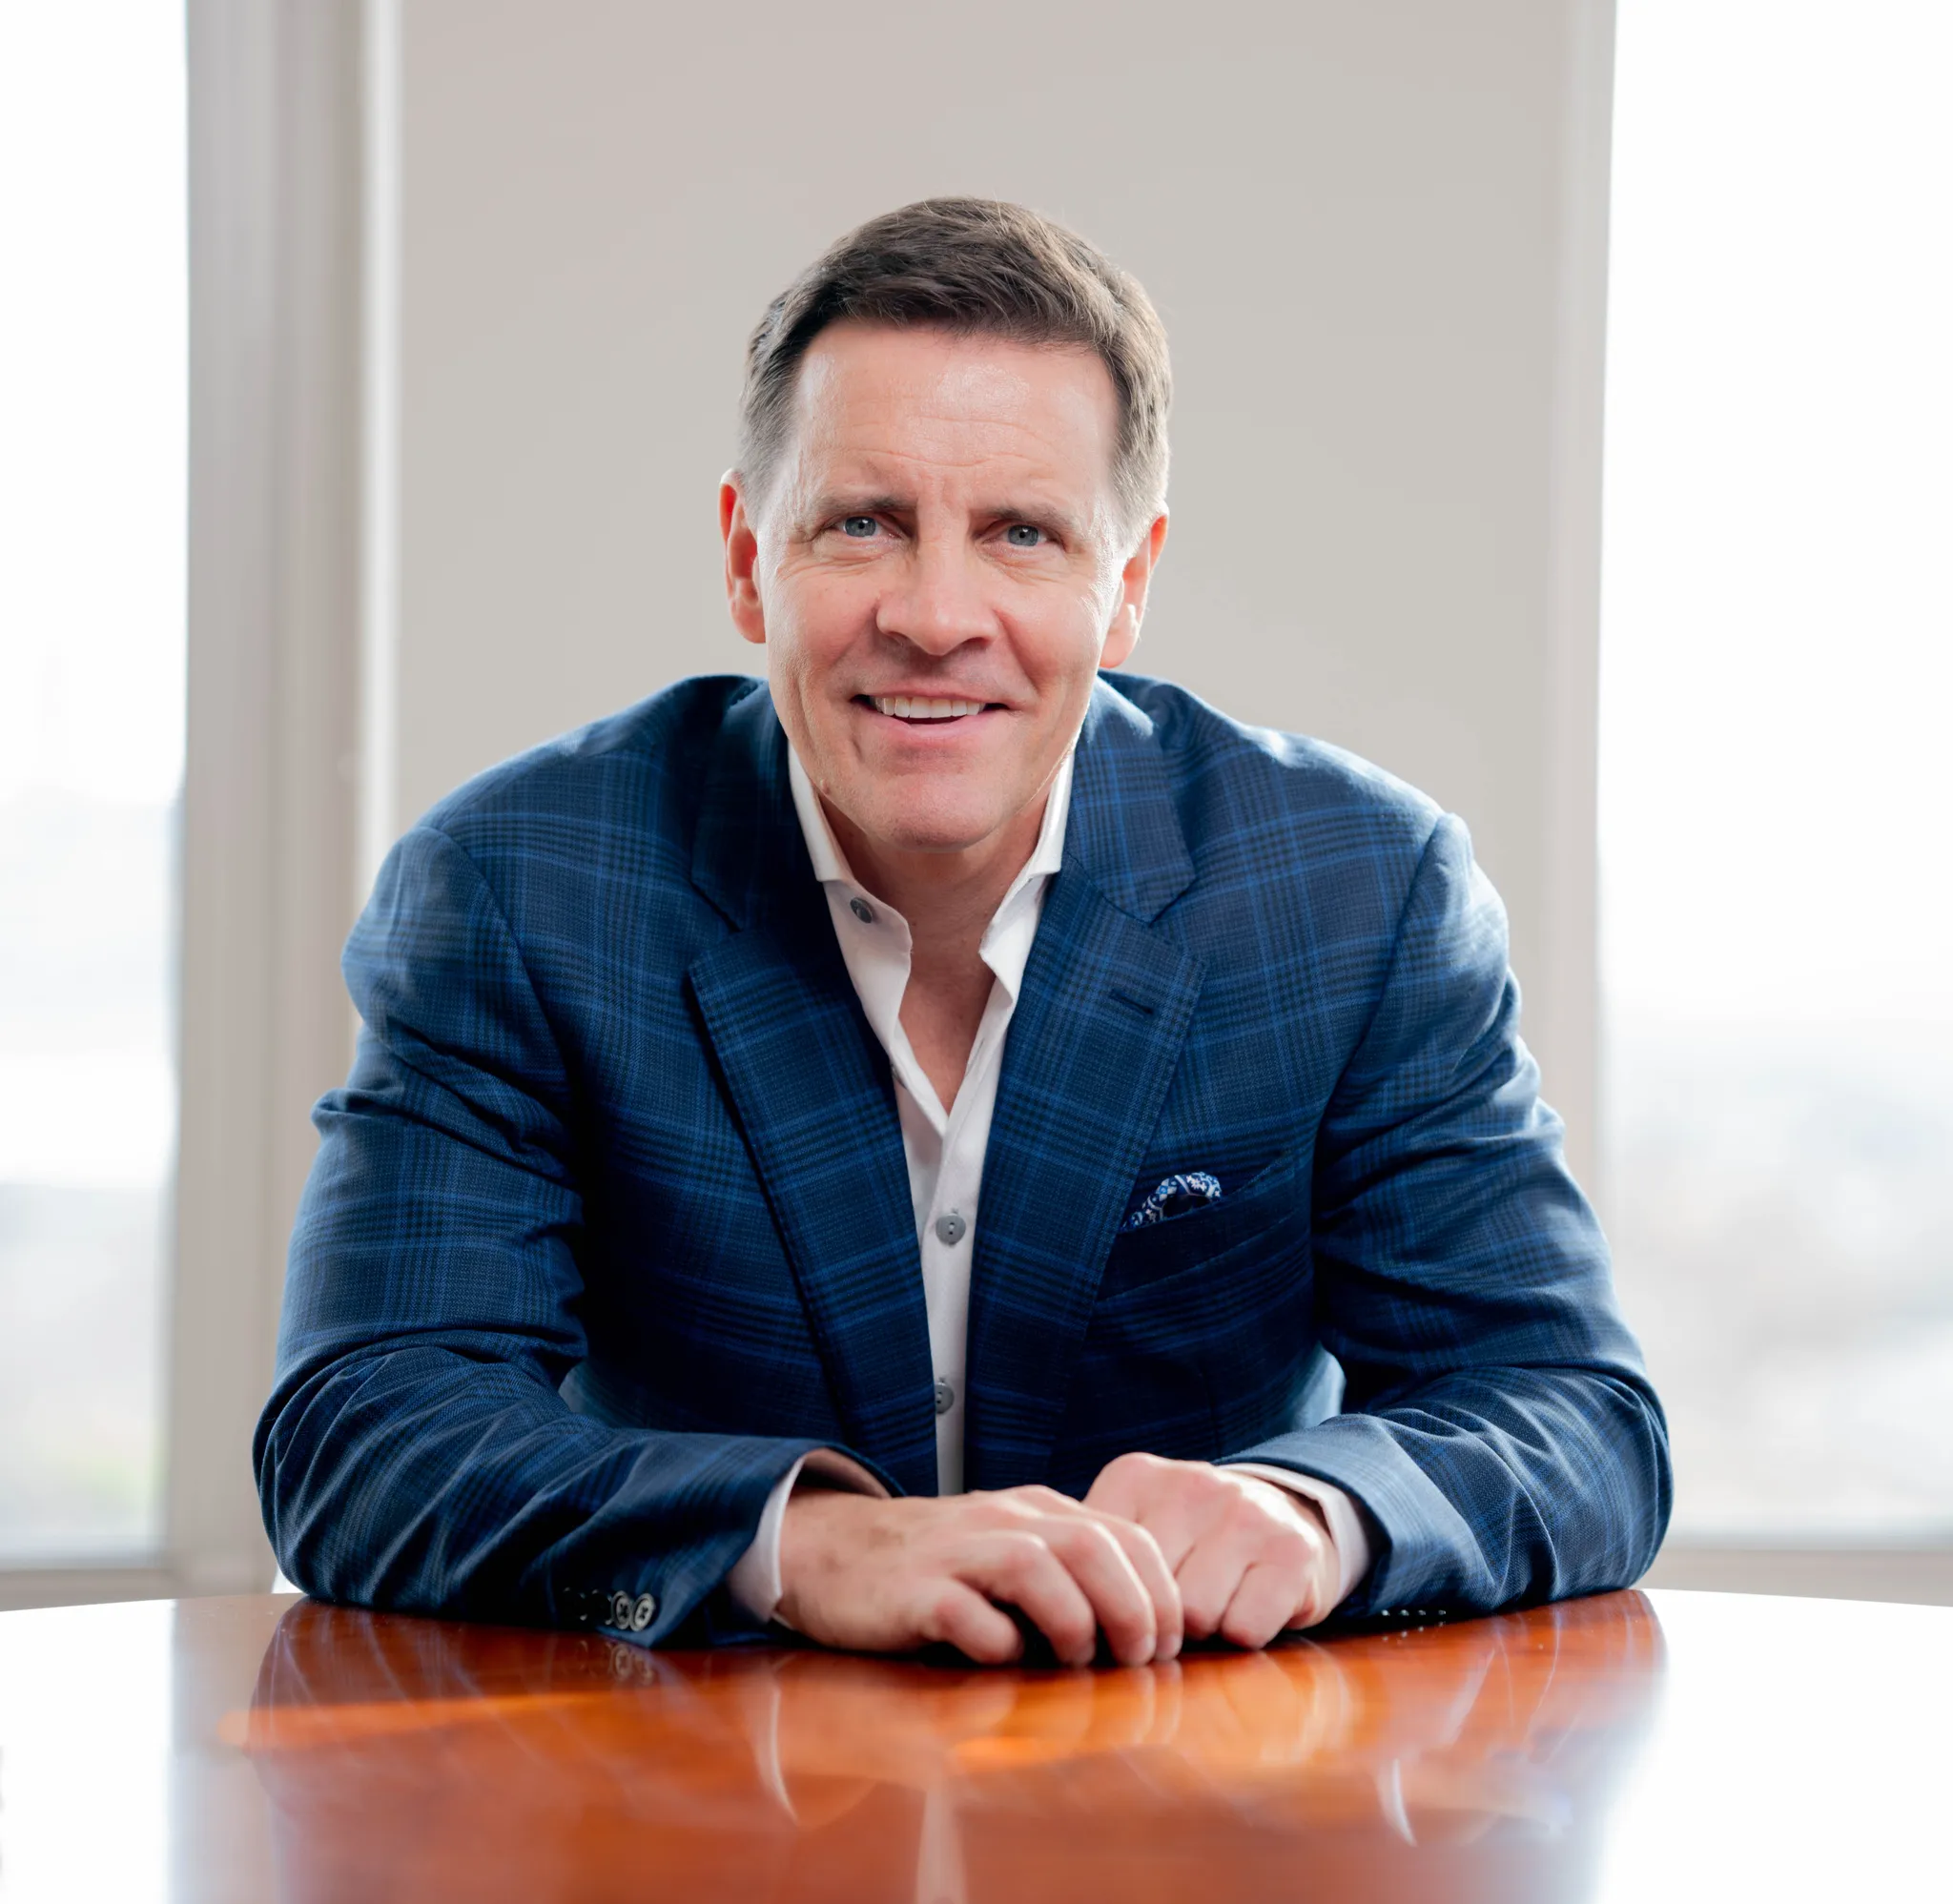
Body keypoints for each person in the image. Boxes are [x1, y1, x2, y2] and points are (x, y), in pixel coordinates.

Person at [257, 198, 1669, 1667]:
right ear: (749, 560)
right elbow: (365, 1431)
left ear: (1127, 583)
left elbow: (1572, 1414)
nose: (936, 616)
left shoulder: (1358, 892)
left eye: (1022, 534)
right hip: (703, 1814)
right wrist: (801, 1543)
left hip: (1203, 1819)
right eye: (862, 523)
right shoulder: (521, 886)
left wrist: (1314, 1514)